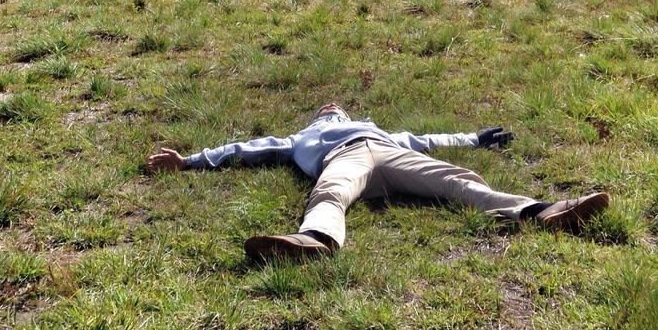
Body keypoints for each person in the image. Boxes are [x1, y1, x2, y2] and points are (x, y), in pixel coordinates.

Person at [145, 102, 610, 262]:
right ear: (317, 118)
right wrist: (187, 161)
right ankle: (316, 242)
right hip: (343, 160)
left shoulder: (376, 126)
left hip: (391, 153)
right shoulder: (302, 137)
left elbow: (427, 139)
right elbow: (248, 148)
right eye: (325, 110)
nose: (332, 109)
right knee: (329, 193)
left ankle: (542, 212)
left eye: (336, 108)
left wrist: (474, 138)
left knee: (459, 180)